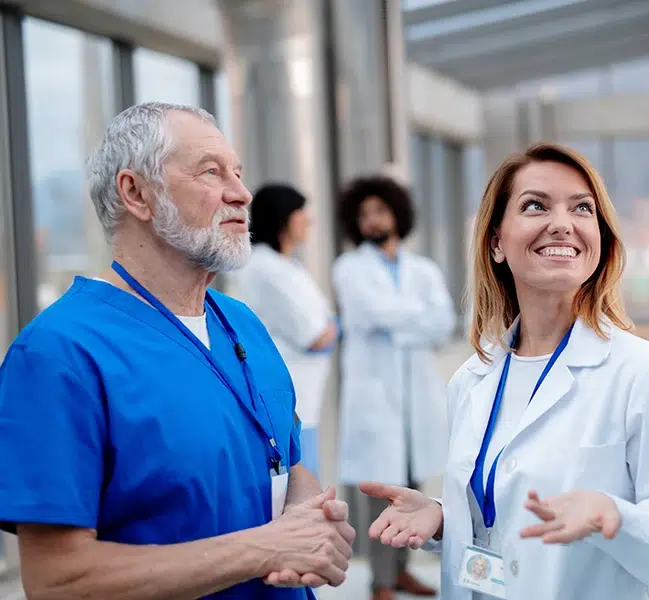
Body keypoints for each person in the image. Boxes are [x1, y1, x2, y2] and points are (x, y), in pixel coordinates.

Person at [0, 102, 356, 599]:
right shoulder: (59, 355)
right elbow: (56, 580)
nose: (242, 193)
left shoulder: (242, 324)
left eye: (238, 172)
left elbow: (288, 463)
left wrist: (306, 515)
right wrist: (266, 549)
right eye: (211, 172)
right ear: (136, 193)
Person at [361, 143, 649, 600]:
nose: (561, 224)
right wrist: (444, 518)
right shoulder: (473, 380)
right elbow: (503, 524)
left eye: (581, 208)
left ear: (601, 240)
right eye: (535, 205)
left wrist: (611, 515)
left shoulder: (648, 375)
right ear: (495, 242)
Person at [332, 175, 456, 600]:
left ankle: (402, 571)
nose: (372, 220)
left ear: (397, 214)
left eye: (380, 211)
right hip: (375, 400)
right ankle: (381, 582)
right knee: (378, 492)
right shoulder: (349, 267)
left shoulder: (423, 269)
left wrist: (402, 322)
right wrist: (414, 321)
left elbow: (442, 321)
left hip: (415, 399)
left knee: (413, 488)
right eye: (364, 214)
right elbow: (370, 314)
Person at [233, 183, 338, 479]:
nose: (308, 220)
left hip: (306, 391)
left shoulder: (287, 266)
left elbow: (325, 327)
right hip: (290, 390)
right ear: (283, 218)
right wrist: (332, 326)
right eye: (300, 213)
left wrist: (330, 327)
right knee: (298, 485)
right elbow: (316, 335)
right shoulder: (266, 269)